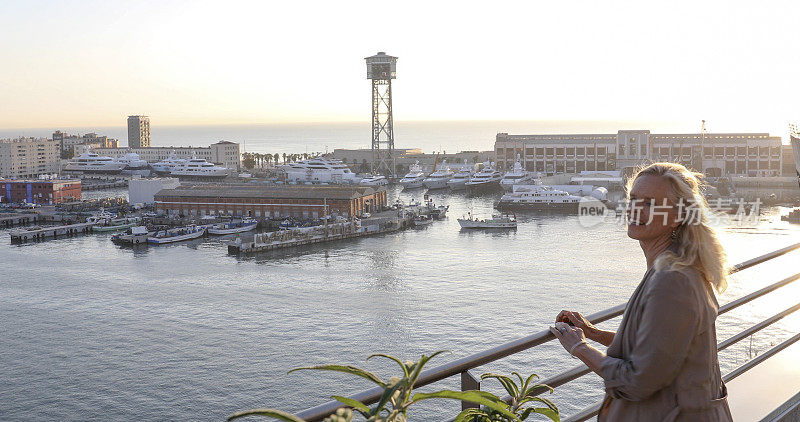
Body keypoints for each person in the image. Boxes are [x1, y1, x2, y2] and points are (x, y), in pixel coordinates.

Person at [550, 162, 733, 421]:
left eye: (650, 203)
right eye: (633, 199)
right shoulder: (678, 265)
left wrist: (579, 346)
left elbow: (637, 381)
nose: (635, 209)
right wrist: (593, 333)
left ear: (678, 216)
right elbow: (657, 350)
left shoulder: (672, 280)